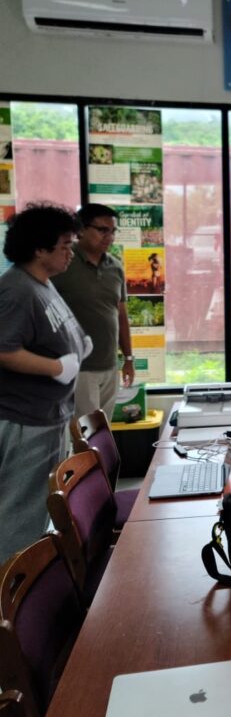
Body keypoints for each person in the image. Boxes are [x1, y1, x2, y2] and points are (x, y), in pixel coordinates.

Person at [0, 203, 90, 564]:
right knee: (20, 514)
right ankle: (14, 601)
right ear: (39, 249)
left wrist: (78, 345)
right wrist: (55, 366)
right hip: (26, 420)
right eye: (65, 246)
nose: (71, 253)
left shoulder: (43, 284)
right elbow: (4, 349)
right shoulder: (17, 290)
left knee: (38, 510)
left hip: (48, 416)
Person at [52, 203, 135, 421]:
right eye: (102, 230)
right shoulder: (63, 264)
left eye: (113, 231)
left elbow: (121, 316)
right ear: (80, 230)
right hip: (79, 368)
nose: (109, 236)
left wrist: (128, 358)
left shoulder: (115, 267)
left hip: (109, 365)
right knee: (86, 437)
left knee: (102, 434)